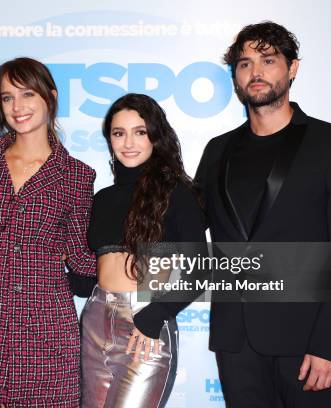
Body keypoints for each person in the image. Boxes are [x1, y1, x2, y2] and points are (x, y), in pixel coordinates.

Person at [195, 21, 331, 407]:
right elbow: (186, 222)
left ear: (292, 68)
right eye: (244, 64)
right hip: (237, 344)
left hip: (308, 345)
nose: (255, 72)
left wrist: (330, 344)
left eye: (268, 60)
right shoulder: (217, 151)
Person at [0, 57, 96, 407]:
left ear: (51, 96)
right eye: (7, 97)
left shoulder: (77, 176)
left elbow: (80, 257)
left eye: (27, 94)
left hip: (46, 333)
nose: (17, 107)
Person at [79, 93, 206, 408]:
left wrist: (154, 316)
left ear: (155, 136)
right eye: (118, 133)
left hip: (143, 323)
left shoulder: (177, 194)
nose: (128, 142)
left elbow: (199, 269)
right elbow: (96, 273)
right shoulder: (103, 198)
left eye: (140, 131)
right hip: (94, 321)